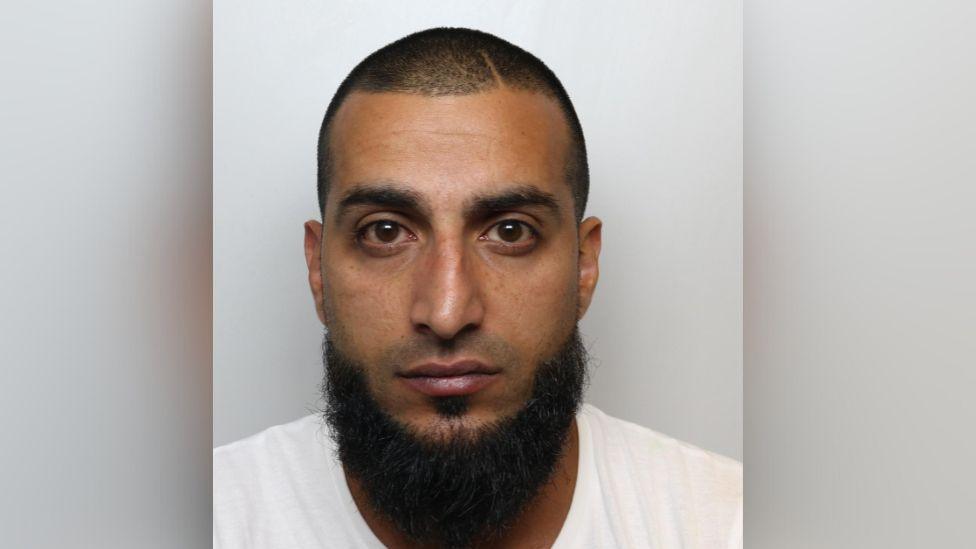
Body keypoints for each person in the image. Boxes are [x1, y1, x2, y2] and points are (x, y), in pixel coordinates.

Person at [214, 27, 742, 549]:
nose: (447, 312)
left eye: (511, 232)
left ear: (584, 265)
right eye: (385, 232)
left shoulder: (727, 524)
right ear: (317, 270)